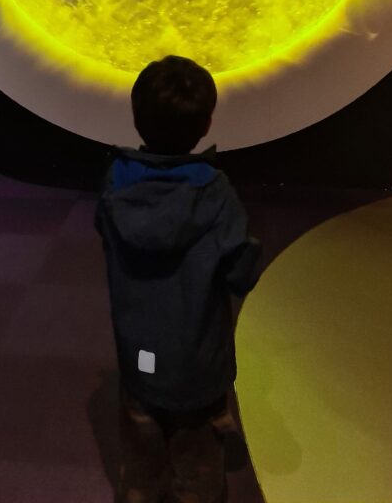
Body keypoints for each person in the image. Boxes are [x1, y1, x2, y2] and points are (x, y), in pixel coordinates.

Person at [95, 55, 262, 503]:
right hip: (196, 362)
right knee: (198, 459)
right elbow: (240, 273)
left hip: (141, 355)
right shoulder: (216, 193)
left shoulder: (116, 184)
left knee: (141, 450)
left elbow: (106, 235)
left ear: (136, 118)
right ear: (206, 125)